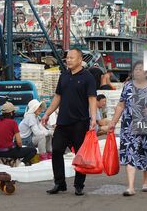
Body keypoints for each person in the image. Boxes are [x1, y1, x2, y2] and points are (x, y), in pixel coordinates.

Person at [109, 60, 147, 196]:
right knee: (130, 154)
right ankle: (130, 187)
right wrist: (113, 122)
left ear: (146, 72)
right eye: (135, 69)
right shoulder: (128, 86)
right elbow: (121, 105)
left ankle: (146, 181)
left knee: (145, 154)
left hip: (146, 127)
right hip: (128, 127)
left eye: (140, 69)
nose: (136, 71)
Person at [41, 48, 97, 196]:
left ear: (80, 60)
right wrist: (47, 113)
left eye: (72, 58)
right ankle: (59, 183)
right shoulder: (64, 75)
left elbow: (92, 99)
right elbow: (57, 97)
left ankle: (79, 185)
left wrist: (93, 118)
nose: (68, 60)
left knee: (80, 155)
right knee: (57, 150)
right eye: (67, 58)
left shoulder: (88, 77)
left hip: (80, 122)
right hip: (63, 122)